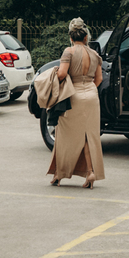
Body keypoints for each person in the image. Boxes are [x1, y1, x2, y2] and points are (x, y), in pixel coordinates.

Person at [47, 17, 105, 189]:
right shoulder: (95, 54)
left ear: (71, 38)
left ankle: (59, 173)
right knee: (89, 136)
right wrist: (88, 89)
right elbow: (99, 78)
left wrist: (54, 76)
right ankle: (90, 172)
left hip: (74, 95)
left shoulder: (69, 52)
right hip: (92, 95)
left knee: (65, 134)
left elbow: (63, 74)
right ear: (86, 37)